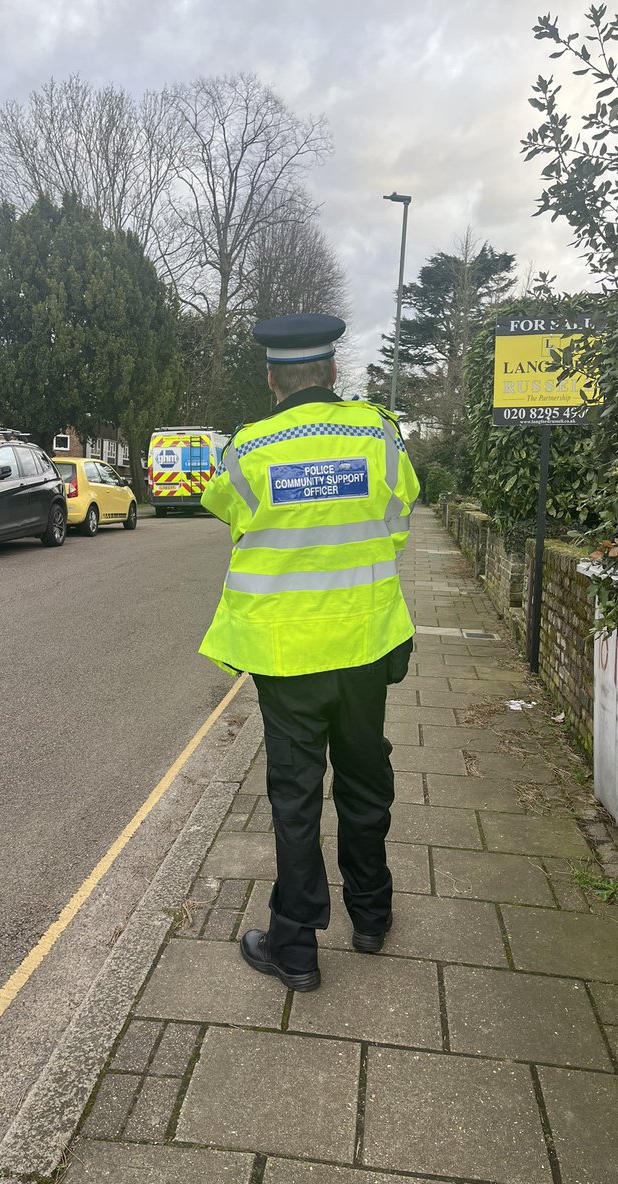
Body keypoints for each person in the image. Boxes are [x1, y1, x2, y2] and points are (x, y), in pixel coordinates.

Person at [199, 313, 419, 991]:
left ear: (271, 378)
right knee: (364, 778)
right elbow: (399, 519)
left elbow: (229, 513)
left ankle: (294, 947)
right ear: (330, 372)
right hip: (364, 642)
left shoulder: (246, 450)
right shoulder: (377, 433)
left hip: (286, 651)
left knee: (294, 798)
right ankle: (372, 915)